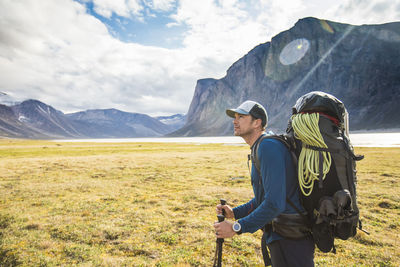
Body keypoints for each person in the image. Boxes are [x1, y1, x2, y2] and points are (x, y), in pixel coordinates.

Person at [213, 100, 315, 266]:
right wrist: (234, 213)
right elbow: (265, 197)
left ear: (257, 122)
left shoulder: (267, 147)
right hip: (282, 235)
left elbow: (274, 203)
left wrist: (235, 228)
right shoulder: (261, 146)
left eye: (241, 116)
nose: (234, 120)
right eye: (235, 117)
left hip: (290, 238)